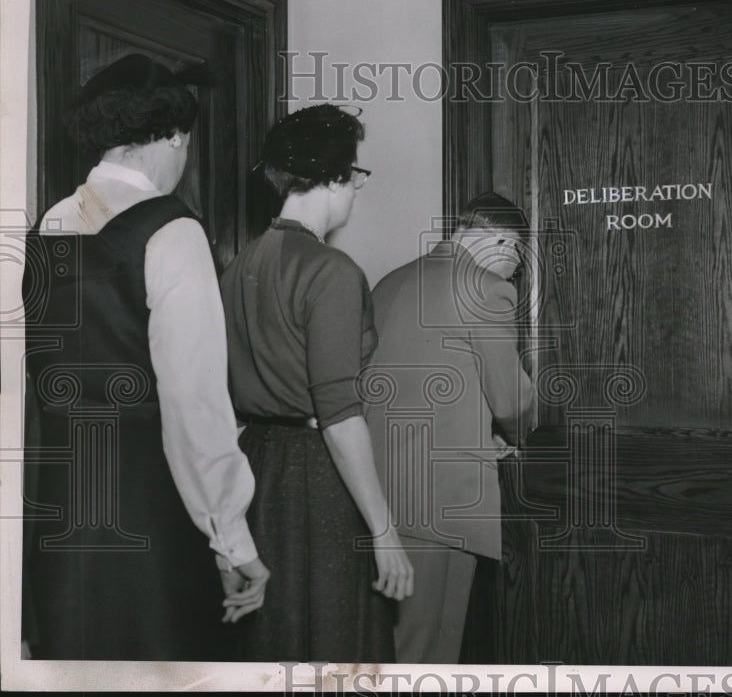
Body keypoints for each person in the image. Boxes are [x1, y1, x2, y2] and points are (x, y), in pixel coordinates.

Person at [22, 53, 269, 661]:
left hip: (56, 506)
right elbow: (195, 405)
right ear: (174, 136)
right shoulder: (172, 229)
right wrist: (232, 541)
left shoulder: (47, 227)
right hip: (147, 505)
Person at [220, 104, 413, 663]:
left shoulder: (240, 265)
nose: (356, 189)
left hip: (255, 469)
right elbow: (339, 413)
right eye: (354, 175)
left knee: (273, 639)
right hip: (318, 478)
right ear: (332, 177)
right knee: (336, 639)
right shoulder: (331, 271)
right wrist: (384, 531)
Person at [363, 192, 536, 663]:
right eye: (517, 260)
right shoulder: (484, 288)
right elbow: (511, 399)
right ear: (504, 241)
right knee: (428, 659)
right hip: (441, 507)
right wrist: (521, 433)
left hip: (375, 500)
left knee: (390, 651)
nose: (513, 273)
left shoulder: (389, 283)